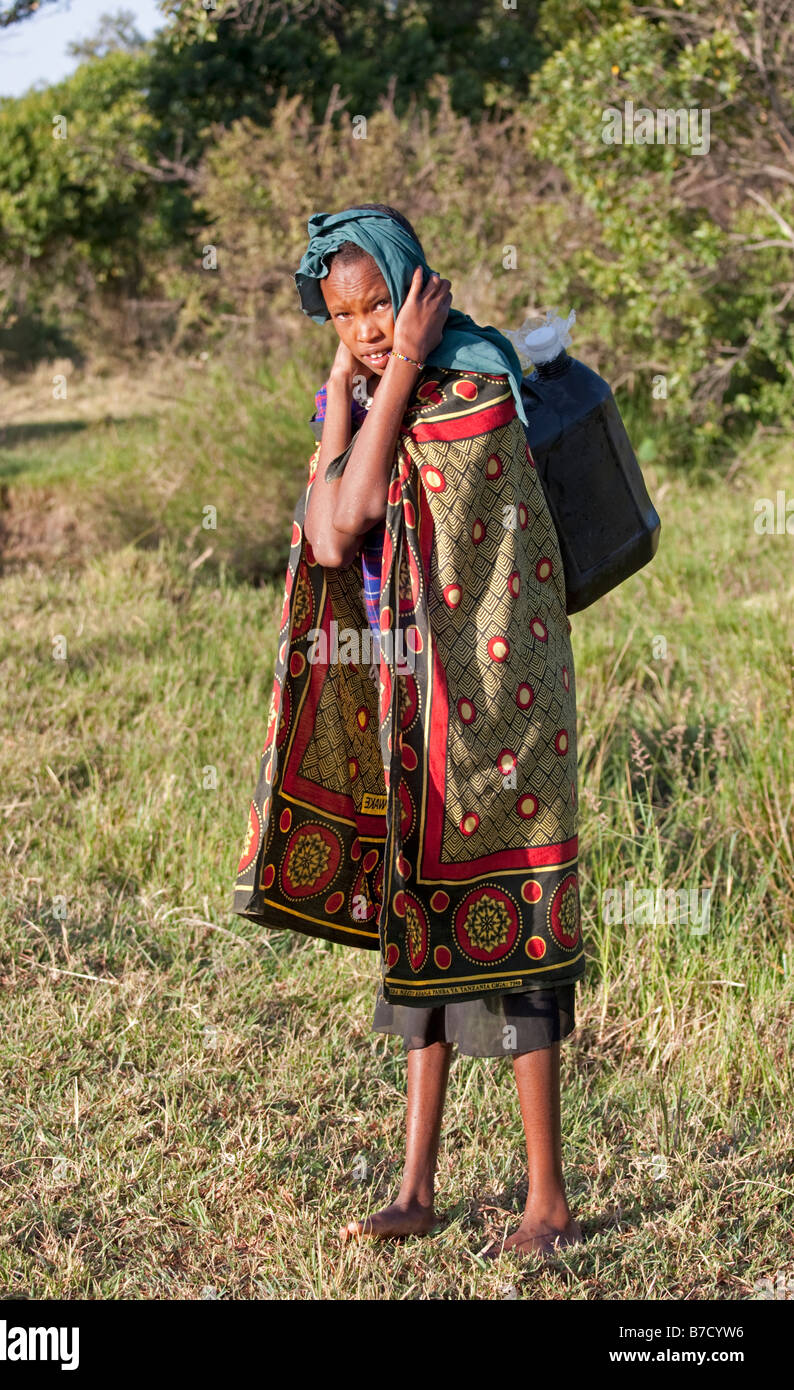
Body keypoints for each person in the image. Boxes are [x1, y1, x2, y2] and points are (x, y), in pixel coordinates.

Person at [234, 203, 584, 1257]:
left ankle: (545, 1199)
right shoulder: (362, 391)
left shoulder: (472, 384)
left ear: (417, 286)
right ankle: (415, 1186)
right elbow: (329, 530)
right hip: (403, 702)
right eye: (342, 317)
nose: (365, 330)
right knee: (416, 932)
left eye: (379, 303)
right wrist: (350, 398)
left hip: (494, 717)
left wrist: (387, 385)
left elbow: (349, 513)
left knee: (513, 935)